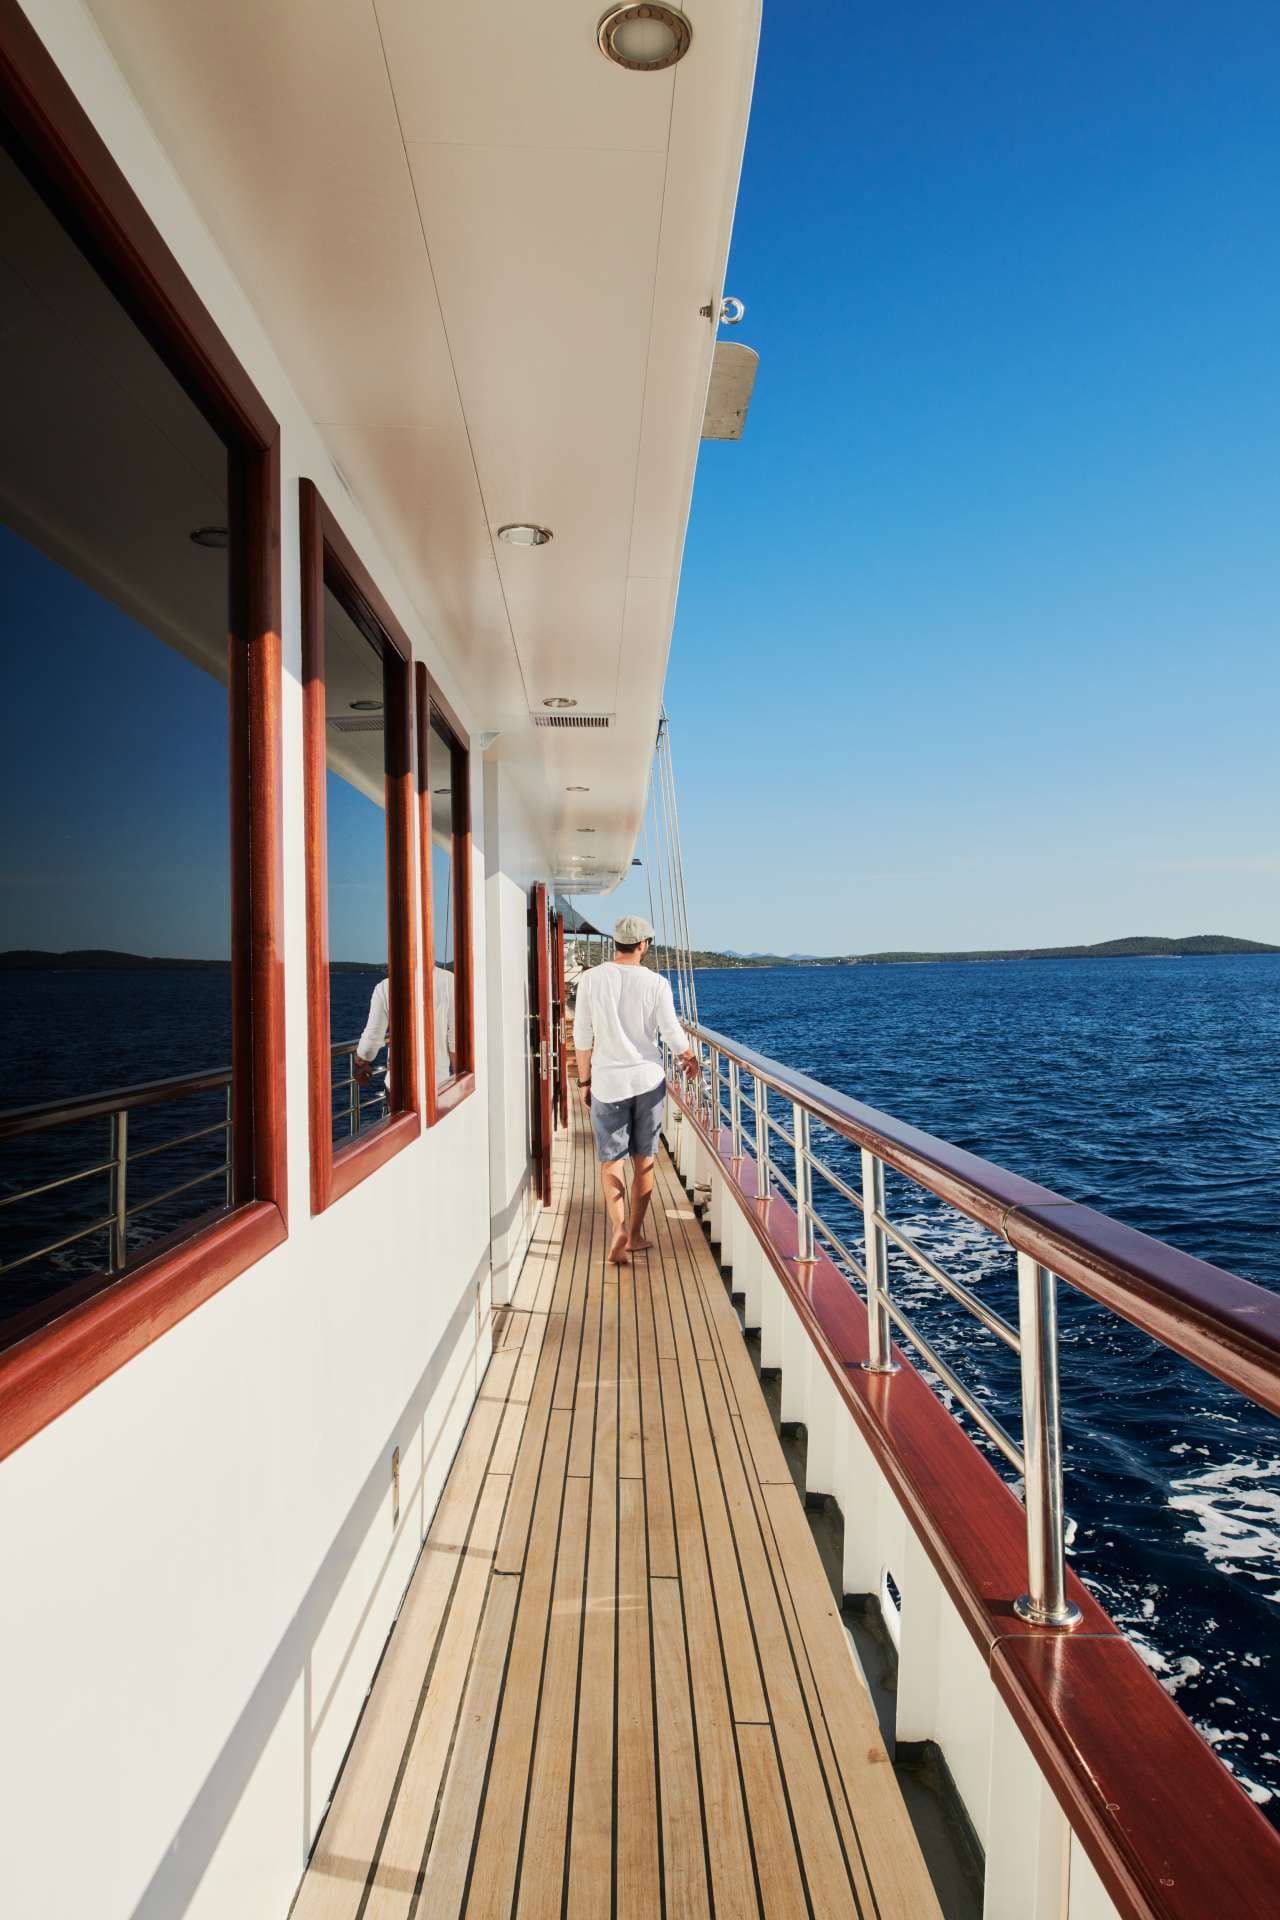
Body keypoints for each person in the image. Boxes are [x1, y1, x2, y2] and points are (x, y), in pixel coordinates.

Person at [573, 915, 698, 1266]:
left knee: (611, 1161)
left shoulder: (591, 980)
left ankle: (618, 1227)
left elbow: (583, 1036)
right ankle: (636, 1233)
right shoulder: (656, 983)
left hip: (608, 1082)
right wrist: (688, 1057)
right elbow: (671, 1032)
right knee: (644, 1161)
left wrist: (585, 1081)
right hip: (647, 1081)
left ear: (616, 942)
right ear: (643, 944)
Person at [353, 967, 456, 1099]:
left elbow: (370, 1041)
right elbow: (456, 1042)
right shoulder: (449, 981)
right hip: (438, 1085)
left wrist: (360, 1062)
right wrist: (459, 1085)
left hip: (399, 1088)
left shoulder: (385, 987)